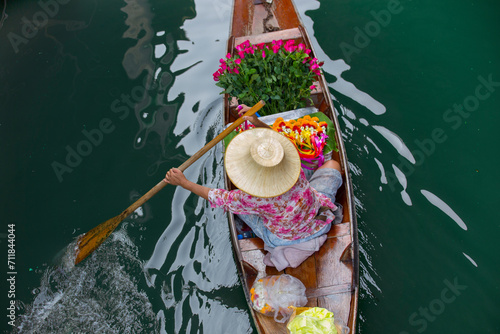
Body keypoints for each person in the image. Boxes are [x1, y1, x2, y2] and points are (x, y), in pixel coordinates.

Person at [164, 105, 343, 266]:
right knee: (333, 165)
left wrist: (184, 183)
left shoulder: (251, 198)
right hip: (319, 221)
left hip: (283, 238)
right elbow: (280, 141)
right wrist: (257, 122)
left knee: (236, 207)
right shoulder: (292, 163)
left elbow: (218, 198)